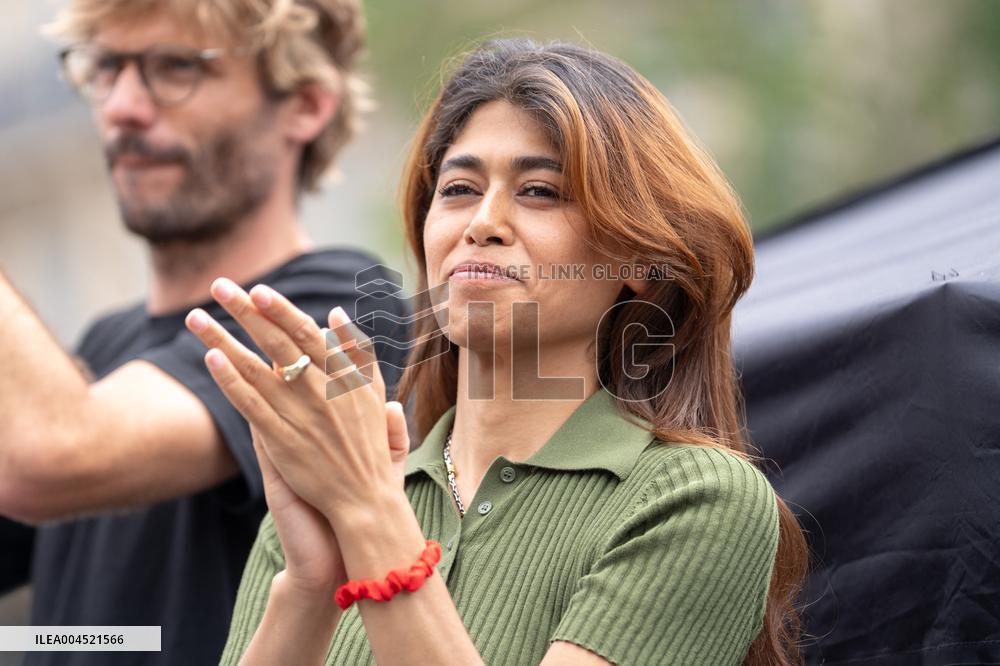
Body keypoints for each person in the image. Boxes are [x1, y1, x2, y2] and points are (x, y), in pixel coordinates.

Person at [191, 39, 810, 665]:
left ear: (638, 261)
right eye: (458, 188)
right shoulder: (337, 490)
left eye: (540, 191)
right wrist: (309, 587)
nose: (481, 221)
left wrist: (367, 514)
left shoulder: (693, 502)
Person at [0, 1, 410, 664]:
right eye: (106, 68)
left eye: (173, 68)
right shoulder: (103, 347)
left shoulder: (337, 314)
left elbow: (56, 454)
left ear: (305, 105)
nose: (123, 107)